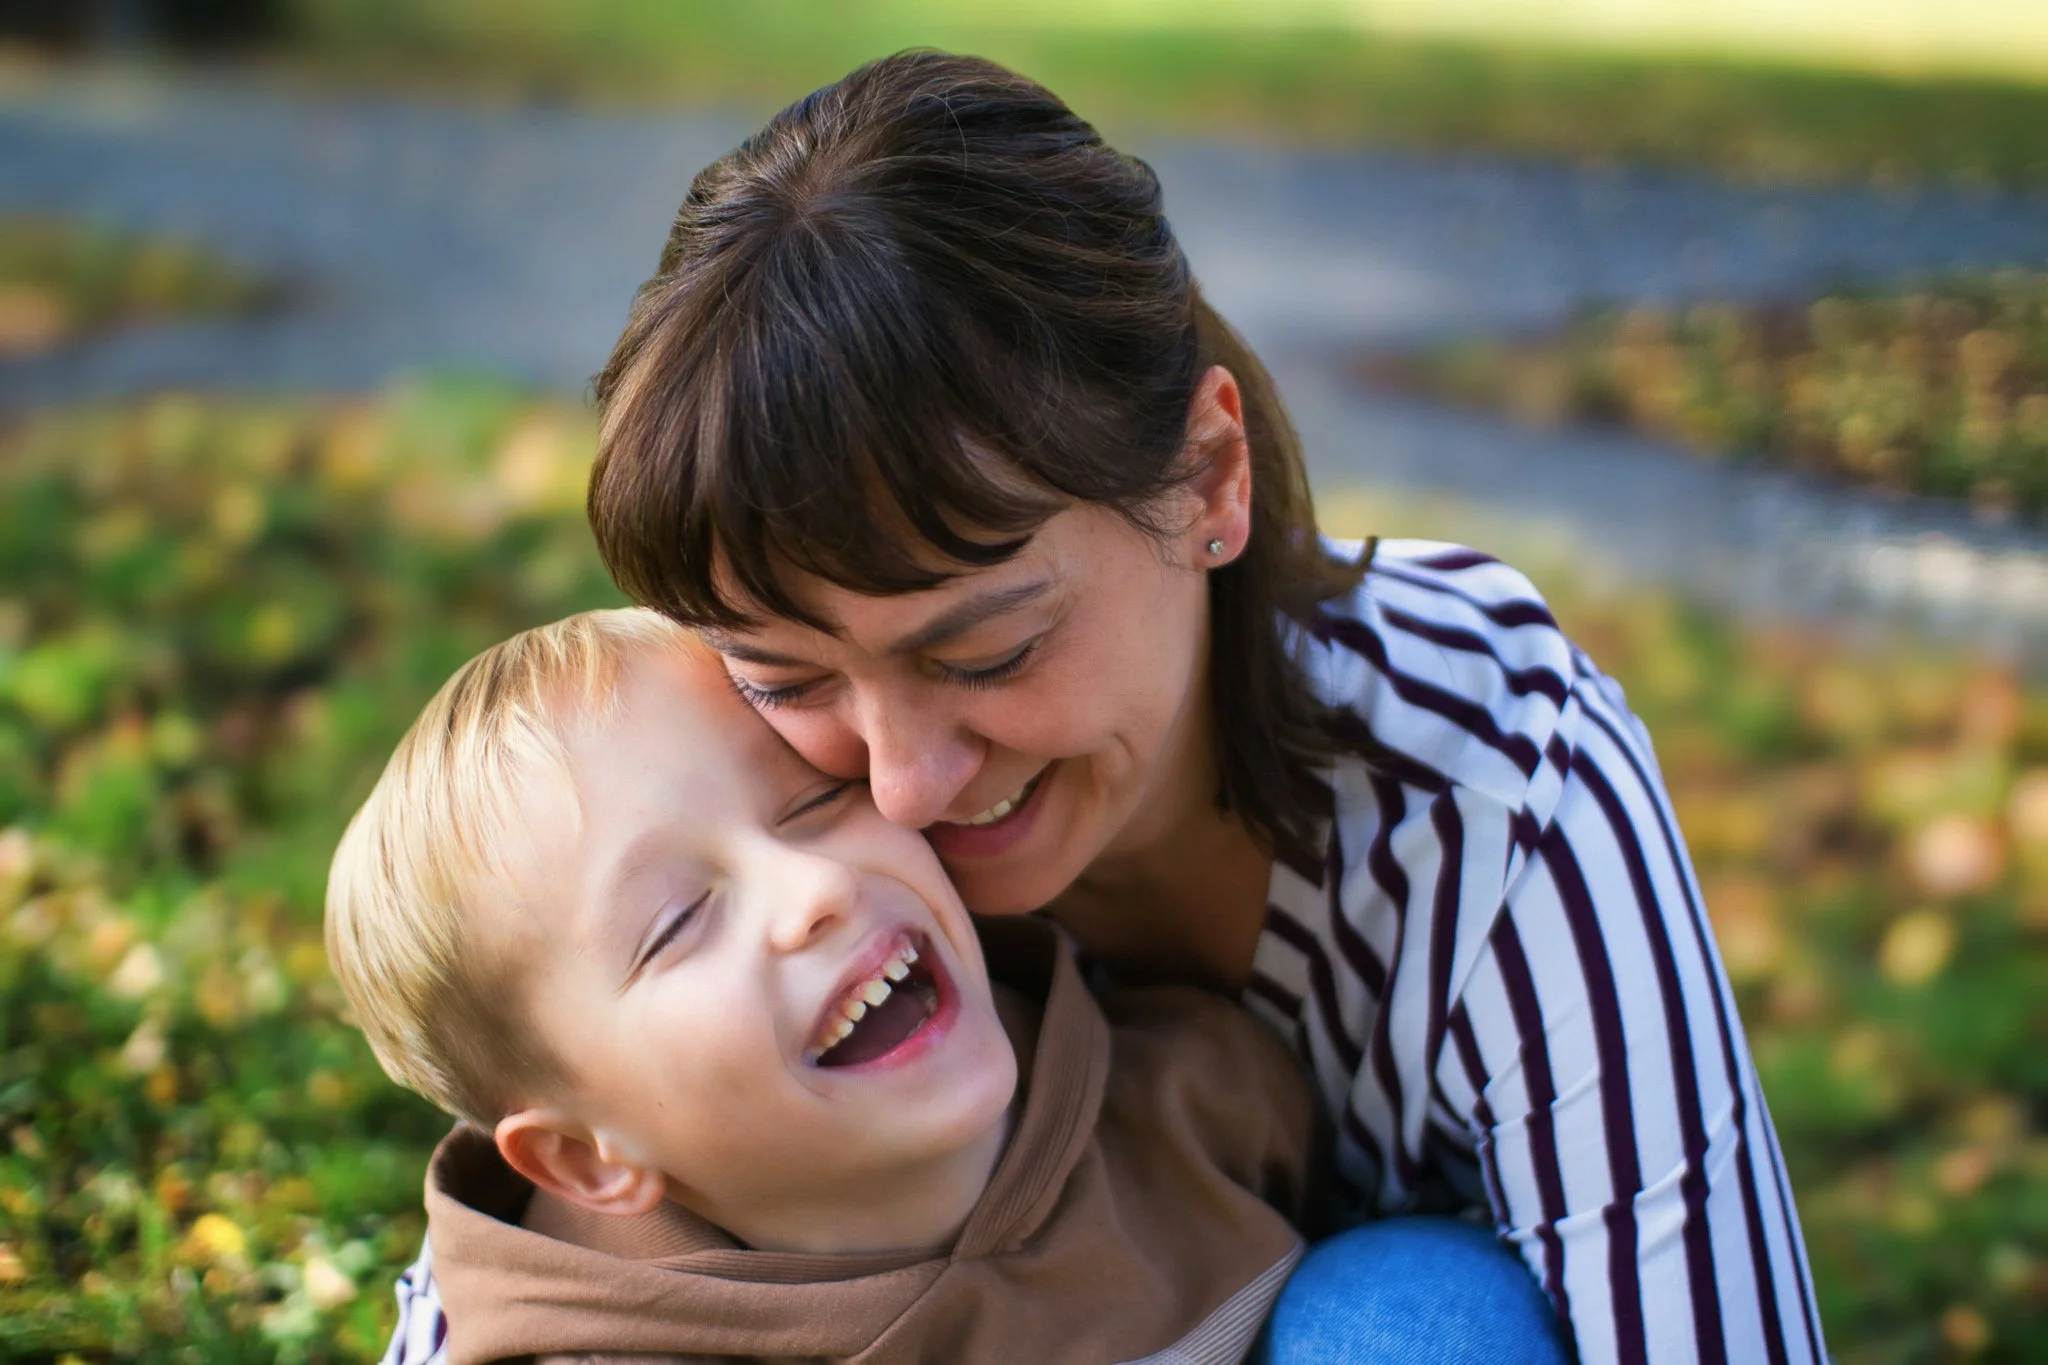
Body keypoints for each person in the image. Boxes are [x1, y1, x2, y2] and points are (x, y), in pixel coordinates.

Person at [388, 50, 1824, 1365]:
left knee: (1419, 1322)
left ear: (1209, 480)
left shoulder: (1495, 789)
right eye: (792, 678)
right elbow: (553, 1142)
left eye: (988, 652)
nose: (903, 785)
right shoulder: (779, 853)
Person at [328, 608, 1332, 1363]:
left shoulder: (1196, 1103)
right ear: (589, 1162)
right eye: (678, 921)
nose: (813, 888)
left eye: (814, 802)